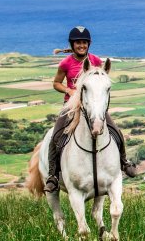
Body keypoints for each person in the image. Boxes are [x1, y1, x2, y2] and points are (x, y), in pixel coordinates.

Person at [43, 26, 139, 194]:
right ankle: (53, 175)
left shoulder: (95, 61)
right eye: (78, 43)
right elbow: (56, 83)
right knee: (56, 135)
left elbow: (100, 82)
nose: (81, 46)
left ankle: (124, 161)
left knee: (115, 130)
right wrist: (70, 90)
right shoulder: (66, 63)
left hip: (93, 105)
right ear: (72, 45)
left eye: (84, 43)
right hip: (72, 105)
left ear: (89, 44)